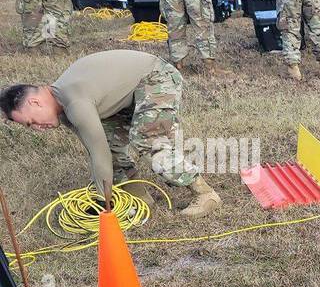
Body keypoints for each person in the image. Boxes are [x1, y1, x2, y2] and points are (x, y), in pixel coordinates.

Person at [0, 50, 222, 216]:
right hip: (128, 94)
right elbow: (98, 150)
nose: (37, 129)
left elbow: (99, 155)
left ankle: (205, 193)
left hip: (155, 77)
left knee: (147, 139)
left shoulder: (74, 102)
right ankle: (138, 198)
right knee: (109, 144)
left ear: (35, 102)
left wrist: (102, 204)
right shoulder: (65, 110)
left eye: (30, 123)